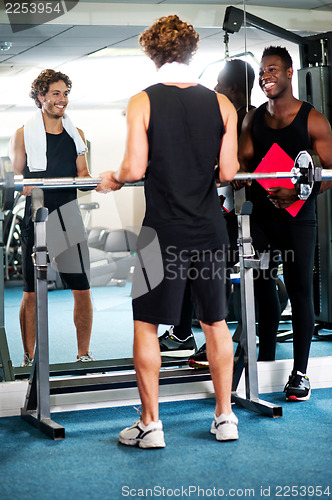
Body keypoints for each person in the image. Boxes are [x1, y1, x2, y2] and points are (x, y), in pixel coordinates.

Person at [97, 14, 240, 447]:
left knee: (146, 325)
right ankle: (225, 416)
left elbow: (134, 168)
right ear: (192, 52)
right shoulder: (221, 104)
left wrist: (114, 178)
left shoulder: (142, 101)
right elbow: (229, 172)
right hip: (210, 230)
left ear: (152, 53)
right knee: (215, 323)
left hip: (161, 234)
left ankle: (151, 424)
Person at [234, 46, 332, 401]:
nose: (266, 76)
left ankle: (300, 373)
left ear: (291, 73)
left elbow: (329, 173)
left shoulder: (313, 120)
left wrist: (299, 194)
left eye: (273, 69)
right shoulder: (252, 119)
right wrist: (236, 175)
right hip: (260, 218)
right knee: (259, 285)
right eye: (262, 72)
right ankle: (265, 357)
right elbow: (242, 163)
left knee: (299, 290)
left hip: (297, 219)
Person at [9, 69, 95, 367]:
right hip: (37, 218)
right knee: (31, 293)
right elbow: (15, 178)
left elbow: (82, 174)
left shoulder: (77, 134)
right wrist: (22, 184)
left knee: (82, 289)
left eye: (65, 93)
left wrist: (94, 181)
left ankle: (83, 354)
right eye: (56, 93)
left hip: (69, 218)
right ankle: (28, 358)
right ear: (40, 96)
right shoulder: (22, 134)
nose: (62, 100)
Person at [181, 59, 256, 366]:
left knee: (222, 278)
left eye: (220, 85)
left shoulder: (247, 119)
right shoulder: (228, 116)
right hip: (222, 208)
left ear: (234, 89)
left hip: (244, 211)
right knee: (211, 275)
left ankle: (224, 343)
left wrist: (214, 171)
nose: (214, 89)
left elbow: (238, 167)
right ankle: (199, 335)